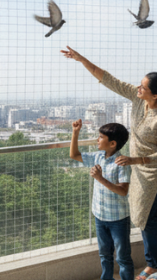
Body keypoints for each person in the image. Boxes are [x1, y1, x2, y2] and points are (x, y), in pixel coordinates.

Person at [63, 45, 157, 280]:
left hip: (151, 170)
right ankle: (152, 262)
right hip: (135, 168)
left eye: (143, 87)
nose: (138, 88)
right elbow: (108, 79)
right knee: (143, 218)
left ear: (155, 95)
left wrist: (137, 159)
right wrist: (81, 59)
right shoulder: (137, 101)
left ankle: (152, 264)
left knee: (149, 219)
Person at [69, 119, 133, 280]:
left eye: (100, 137)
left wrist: (100, 178)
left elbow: (123, 191)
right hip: (100, 216)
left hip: (118, 219)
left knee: (122, 257)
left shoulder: (122, 162)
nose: (97, 139)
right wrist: (75, 132)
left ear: (112, 143)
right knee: (105, 255)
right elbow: (74, 155)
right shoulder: (98, 156)